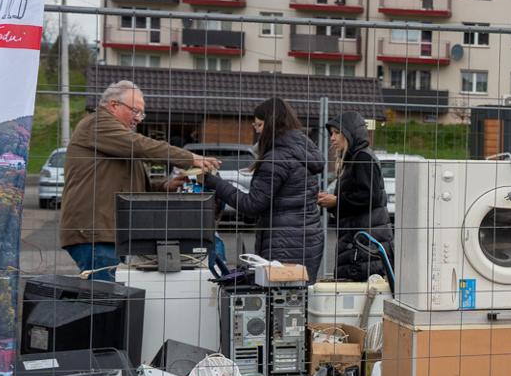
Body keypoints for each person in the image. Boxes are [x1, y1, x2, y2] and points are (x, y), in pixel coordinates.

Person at [60, 81, 220, 281]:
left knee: (113, 297)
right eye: (135, 110)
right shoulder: (98, 124)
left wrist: (164, 185)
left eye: (141, 113)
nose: (138, 118)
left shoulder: (117, 138)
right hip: (95, 232)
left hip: (108, 232)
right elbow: (142, 146)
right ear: (113, 105)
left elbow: (127, 180)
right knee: (106, 299)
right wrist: (189, 158)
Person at [207, 97, 326, 278]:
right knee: (299, 298)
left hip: (284, 244)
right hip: (308, 239)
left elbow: (252, 205)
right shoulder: (301, 150)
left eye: (260, 125)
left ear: (273, 124)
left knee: (280, 301)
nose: (257, 131)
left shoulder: (276, 158)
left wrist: (214, 182)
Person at [317, 112, 393, 282]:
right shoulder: (353, 158)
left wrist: (337, 201)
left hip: (364, 244)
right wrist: (333, 202)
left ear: (350, 133)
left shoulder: (362, 157)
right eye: (331, 133)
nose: (332, 138)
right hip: (358, 240)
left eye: (337, 133)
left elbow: (369, 196)